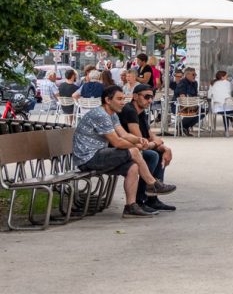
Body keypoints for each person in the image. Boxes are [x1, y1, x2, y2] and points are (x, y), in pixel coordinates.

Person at [72, 84, 176, 219]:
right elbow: (117, 142)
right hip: (88, 159)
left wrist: (139, 140)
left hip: (100, 154)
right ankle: (152, 184)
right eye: (119, 99)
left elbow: (125, 135)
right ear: (108, 100)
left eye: (123, 99)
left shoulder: (113, 114)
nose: (123, 102)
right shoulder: (100, 115)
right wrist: (139, 146)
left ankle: (130, 207)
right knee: (133, 151)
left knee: (132, 167)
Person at [118, 84, 175, 212]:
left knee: (159, 154)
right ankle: (140, 200)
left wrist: (165, 148)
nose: (150, 100)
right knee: (152, 155)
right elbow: (141, 141)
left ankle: (152, 199)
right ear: (135, 96)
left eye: (152, 97)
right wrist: (156, 144)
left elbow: (150, 135)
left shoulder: (141, 112)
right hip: (123, 149)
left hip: (135, 148)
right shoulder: (129, 110)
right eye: (146, 97)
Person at [173, 67, 201, 136]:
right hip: (180, 106)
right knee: (194, 110)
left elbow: (195, 95)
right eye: (193, 74)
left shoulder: (195, 83)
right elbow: (182, 97)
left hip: (191, 104)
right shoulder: (182, 83)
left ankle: (184, 126)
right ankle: (182, 126)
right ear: (187, 75)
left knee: (203, 110)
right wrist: (192, 103)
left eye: (195, 74)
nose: (195, 76)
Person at [208, 70, 233, 136]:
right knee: (226, 112)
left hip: (218, 108)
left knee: (225, 112)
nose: (227, 77)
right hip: (230, 108)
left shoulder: (212, 83)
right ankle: (231, 123)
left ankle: (227, 131)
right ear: (222, 77)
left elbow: (209, 96)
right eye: (226, 76)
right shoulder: (228, 83)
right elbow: (229, 92)